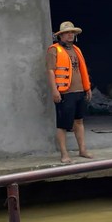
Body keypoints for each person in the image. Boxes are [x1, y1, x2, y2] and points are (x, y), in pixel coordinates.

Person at [46, 20, 93, 163]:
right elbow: (50, 71)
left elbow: (82, 70)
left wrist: (87, 88)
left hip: (79, 91)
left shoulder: (77, 50)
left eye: (72, 32)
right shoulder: (54, 50)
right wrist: (55, 91)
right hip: (65, 92)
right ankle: (64, 154)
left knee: (79, 121)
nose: (70, 35)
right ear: (60, 35)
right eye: (67, 32)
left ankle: (82, 150)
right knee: (63, 124)